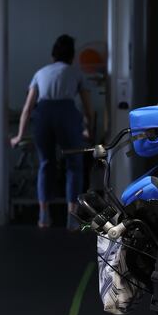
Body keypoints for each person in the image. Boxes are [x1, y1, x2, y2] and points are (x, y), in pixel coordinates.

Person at [10, 34, 95, 230]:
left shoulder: (40, 73)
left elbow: (27, 108)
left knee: (46, 164)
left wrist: (19, 136)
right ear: (72, 56)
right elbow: (88, 109)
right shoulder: (76, 73)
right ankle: (72, 218)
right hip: (67, 115)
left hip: (44, 116)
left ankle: (44, 215)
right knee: (74, 165)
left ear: (53, 55)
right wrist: (88, 130)